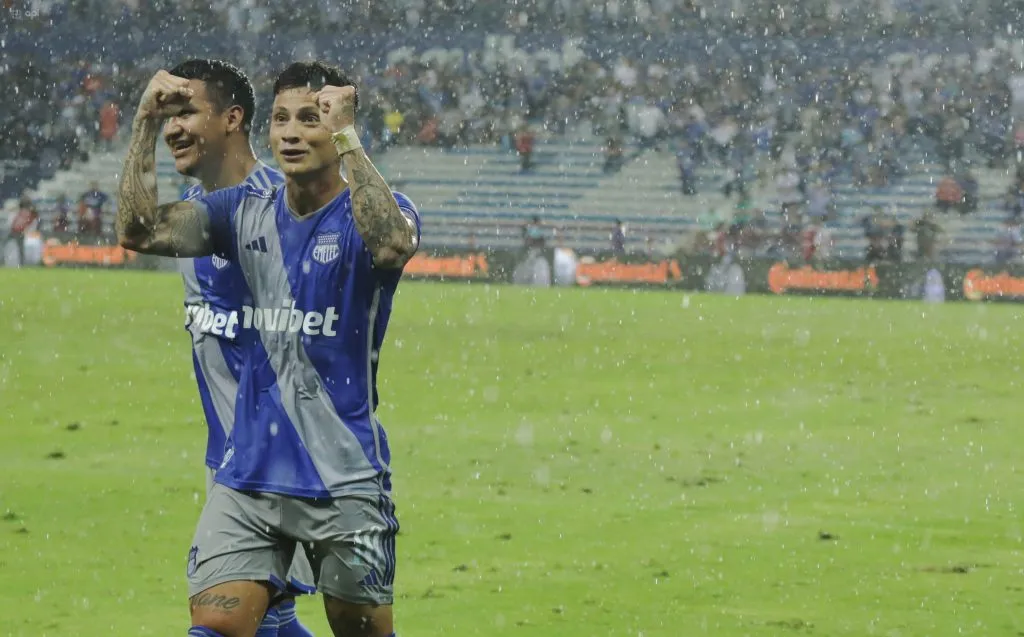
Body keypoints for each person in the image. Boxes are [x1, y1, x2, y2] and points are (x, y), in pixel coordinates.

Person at [115, 61, 420, 637]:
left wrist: (348, 136)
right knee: (215, 627)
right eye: (281, 119)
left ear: (338, 127)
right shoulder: (241, 212)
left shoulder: (373, 211)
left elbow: (391, 246)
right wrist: (143, 127)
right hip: (249, 473)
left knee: (360, 630)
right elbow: (137, 231)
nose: (290, 132)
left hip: (340, 475)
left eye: (311, 118)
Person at [156, 58, 317, 637]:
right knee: (269, 617)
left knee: (219, 625)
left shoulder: (283, 210)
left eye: (185, 113)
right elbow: (131, 229)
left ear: (232, 118)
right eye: (166, 116)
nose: (172, 127)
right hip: (226, 453)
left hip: (275, 462)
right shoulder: (191, 216)